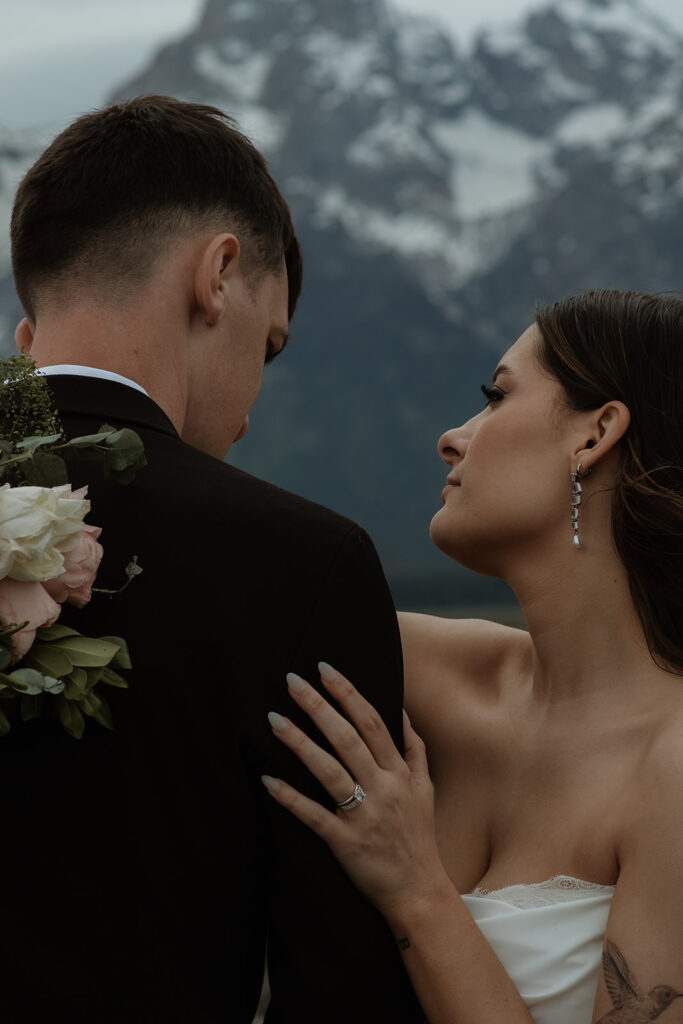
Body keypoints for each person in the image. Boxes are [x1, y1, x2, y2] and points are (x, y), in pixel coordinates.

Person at [5, 95, 424, 1023]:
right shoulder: (305, 563)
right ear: (219, 275)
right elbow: (340, 990)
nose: (251, 403)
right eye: (267, 347)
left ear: (29, 338)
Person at [263, 289, 683, 1024]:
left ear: (595, 434)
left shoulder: (672, 764)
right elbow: (197, 598)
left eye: (496, 396)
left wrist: (415, 892)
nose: (452, 437)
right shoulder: (432, 672)